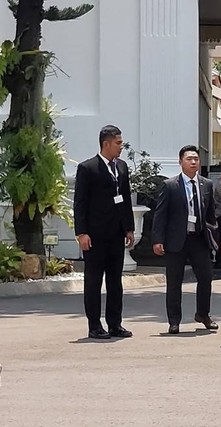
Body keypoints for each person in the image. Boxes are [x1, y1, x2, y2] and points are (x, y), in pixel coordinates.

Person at [73, 125, 135, 339]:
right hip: (95, 235)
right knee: (93, 281)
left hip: (116, 234)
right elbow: (79, 203)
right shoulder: (87, 168)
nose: (121, 147)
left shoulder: (122, 167)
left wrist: (129, 228)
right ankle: (94, 325)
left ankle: (115, 323)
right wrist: (81, 233)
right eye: (118, 143)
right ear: (106, 143)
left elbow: (125, 199)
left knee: (115, 281)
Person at [151, 145, 218, 334]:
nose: (194, 162)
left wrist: (215, 236)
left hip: (198, 239)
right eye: (189, 159)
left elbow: (211, 214)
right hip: (176, 241)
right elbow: (160, 215)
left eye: (196, 159)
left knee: (205, 278)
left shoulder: (207, 185)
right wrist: (158, 239)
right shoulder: (170, 185)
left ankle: (203, 314)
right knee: (174, 282)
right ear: (180, 162)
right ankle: (174, 320)